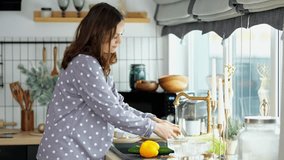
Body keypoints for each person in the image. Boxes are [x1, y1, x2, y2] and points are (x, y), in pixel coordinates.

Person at [37, 2, 181, 160]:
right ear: (98, 33)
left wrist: (152, 119)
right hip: (66, 153)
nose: (119, 41)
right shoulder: (85, 64)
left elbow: (118, 105)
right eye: (114, 35)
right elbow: (112, 112)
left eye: (121, 34)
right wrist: (152, 127)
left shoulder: (97, 65)